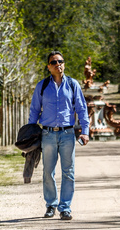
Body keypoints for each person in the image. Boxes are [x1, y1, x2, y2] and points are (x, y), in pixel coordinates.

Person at [28, 50, 90, 220]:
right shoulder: (42, 86)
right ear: (49, 67)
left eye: (60, 61)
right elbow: (34, 111)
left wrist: (85, 131)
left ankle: (65, 208)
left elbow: (82, 109)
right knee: (48, 172)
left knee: (68, 172)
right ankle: (51, 205)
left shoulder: (72, 84)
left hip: (68, 134)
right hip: (47, 134)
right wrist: (30, 133)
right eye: (54, 62)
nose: (58, 65)